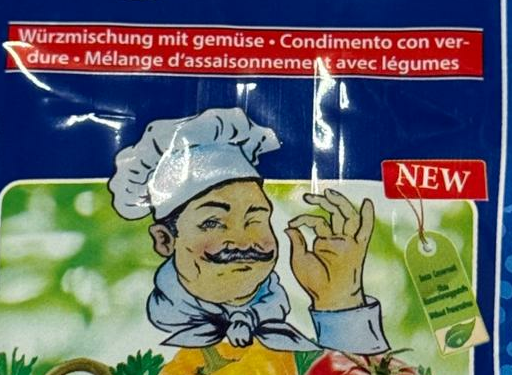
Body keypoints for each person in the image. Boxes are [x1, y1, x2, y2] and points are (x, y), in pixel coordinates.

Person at [108, 107, 388, 354]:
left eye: (255, 219)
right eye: (213, 222)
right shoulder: (124, 330)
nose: (243, 242)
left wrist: (340, 300)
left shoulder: (288, 318)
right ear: (165, 240)